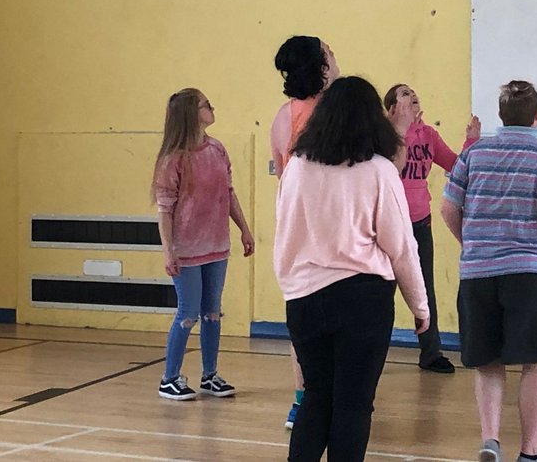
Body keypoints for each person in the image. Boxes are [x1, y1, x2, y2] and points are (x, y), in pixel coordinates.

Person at [275, 75, 430, 462]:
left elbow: (285, 232)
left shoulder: (296, 168)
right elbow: (401, 247)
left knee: (315, 398)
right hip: (363, 299)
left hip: (305, 297)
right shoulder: (379, 170)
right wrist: (420, 306)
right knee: (353, 406)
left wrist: (292, 289)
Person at [441, 80, 537, 462]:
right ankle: (530, 454)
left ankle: (490, 441)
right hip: (530, 273)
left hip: (478, 273)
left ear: (500, 116)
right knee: (535, 363)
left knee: (487, 362)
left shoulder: (474, 155)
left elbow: (449, 210)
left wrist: (473, 245)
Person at [152, 88, 255, 401]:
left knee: (212, 311)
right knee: (188, 312)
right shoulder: (173, 160)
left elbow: (230, 193)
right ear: (189, 113)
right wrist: (169, 250)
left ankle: (210, 375)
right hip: (187, 250)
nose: (212, 107)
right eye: (205, 104)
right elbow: (164, 209)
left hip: (216, 245)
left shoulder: (217, 149)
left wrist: (244, 229)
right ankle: (169, 378)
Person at [384, 83, 480, 373]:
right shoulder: (384, 136)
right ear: (391, 108)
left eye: (414, 93)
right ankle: (372, 351)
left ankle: (430, 353)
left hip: (420, 221)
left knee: (424, 288)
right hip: (389, 223)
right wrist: (401, 130)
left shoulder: (428, 135)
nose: (412, 94)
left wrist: (471, 141)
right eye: (404, 94)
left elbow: (456, 165)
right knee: (382, 291)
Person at [269, 35, 339, 428]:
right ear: (322, 65)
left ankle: (303, 401)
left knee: (304, 319)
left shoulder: (283, 114)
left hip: (293, 230)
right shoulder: (332, 111)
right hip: (328, 228)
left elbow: (281, 172)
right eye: (329, 51)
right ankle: (327, 400)